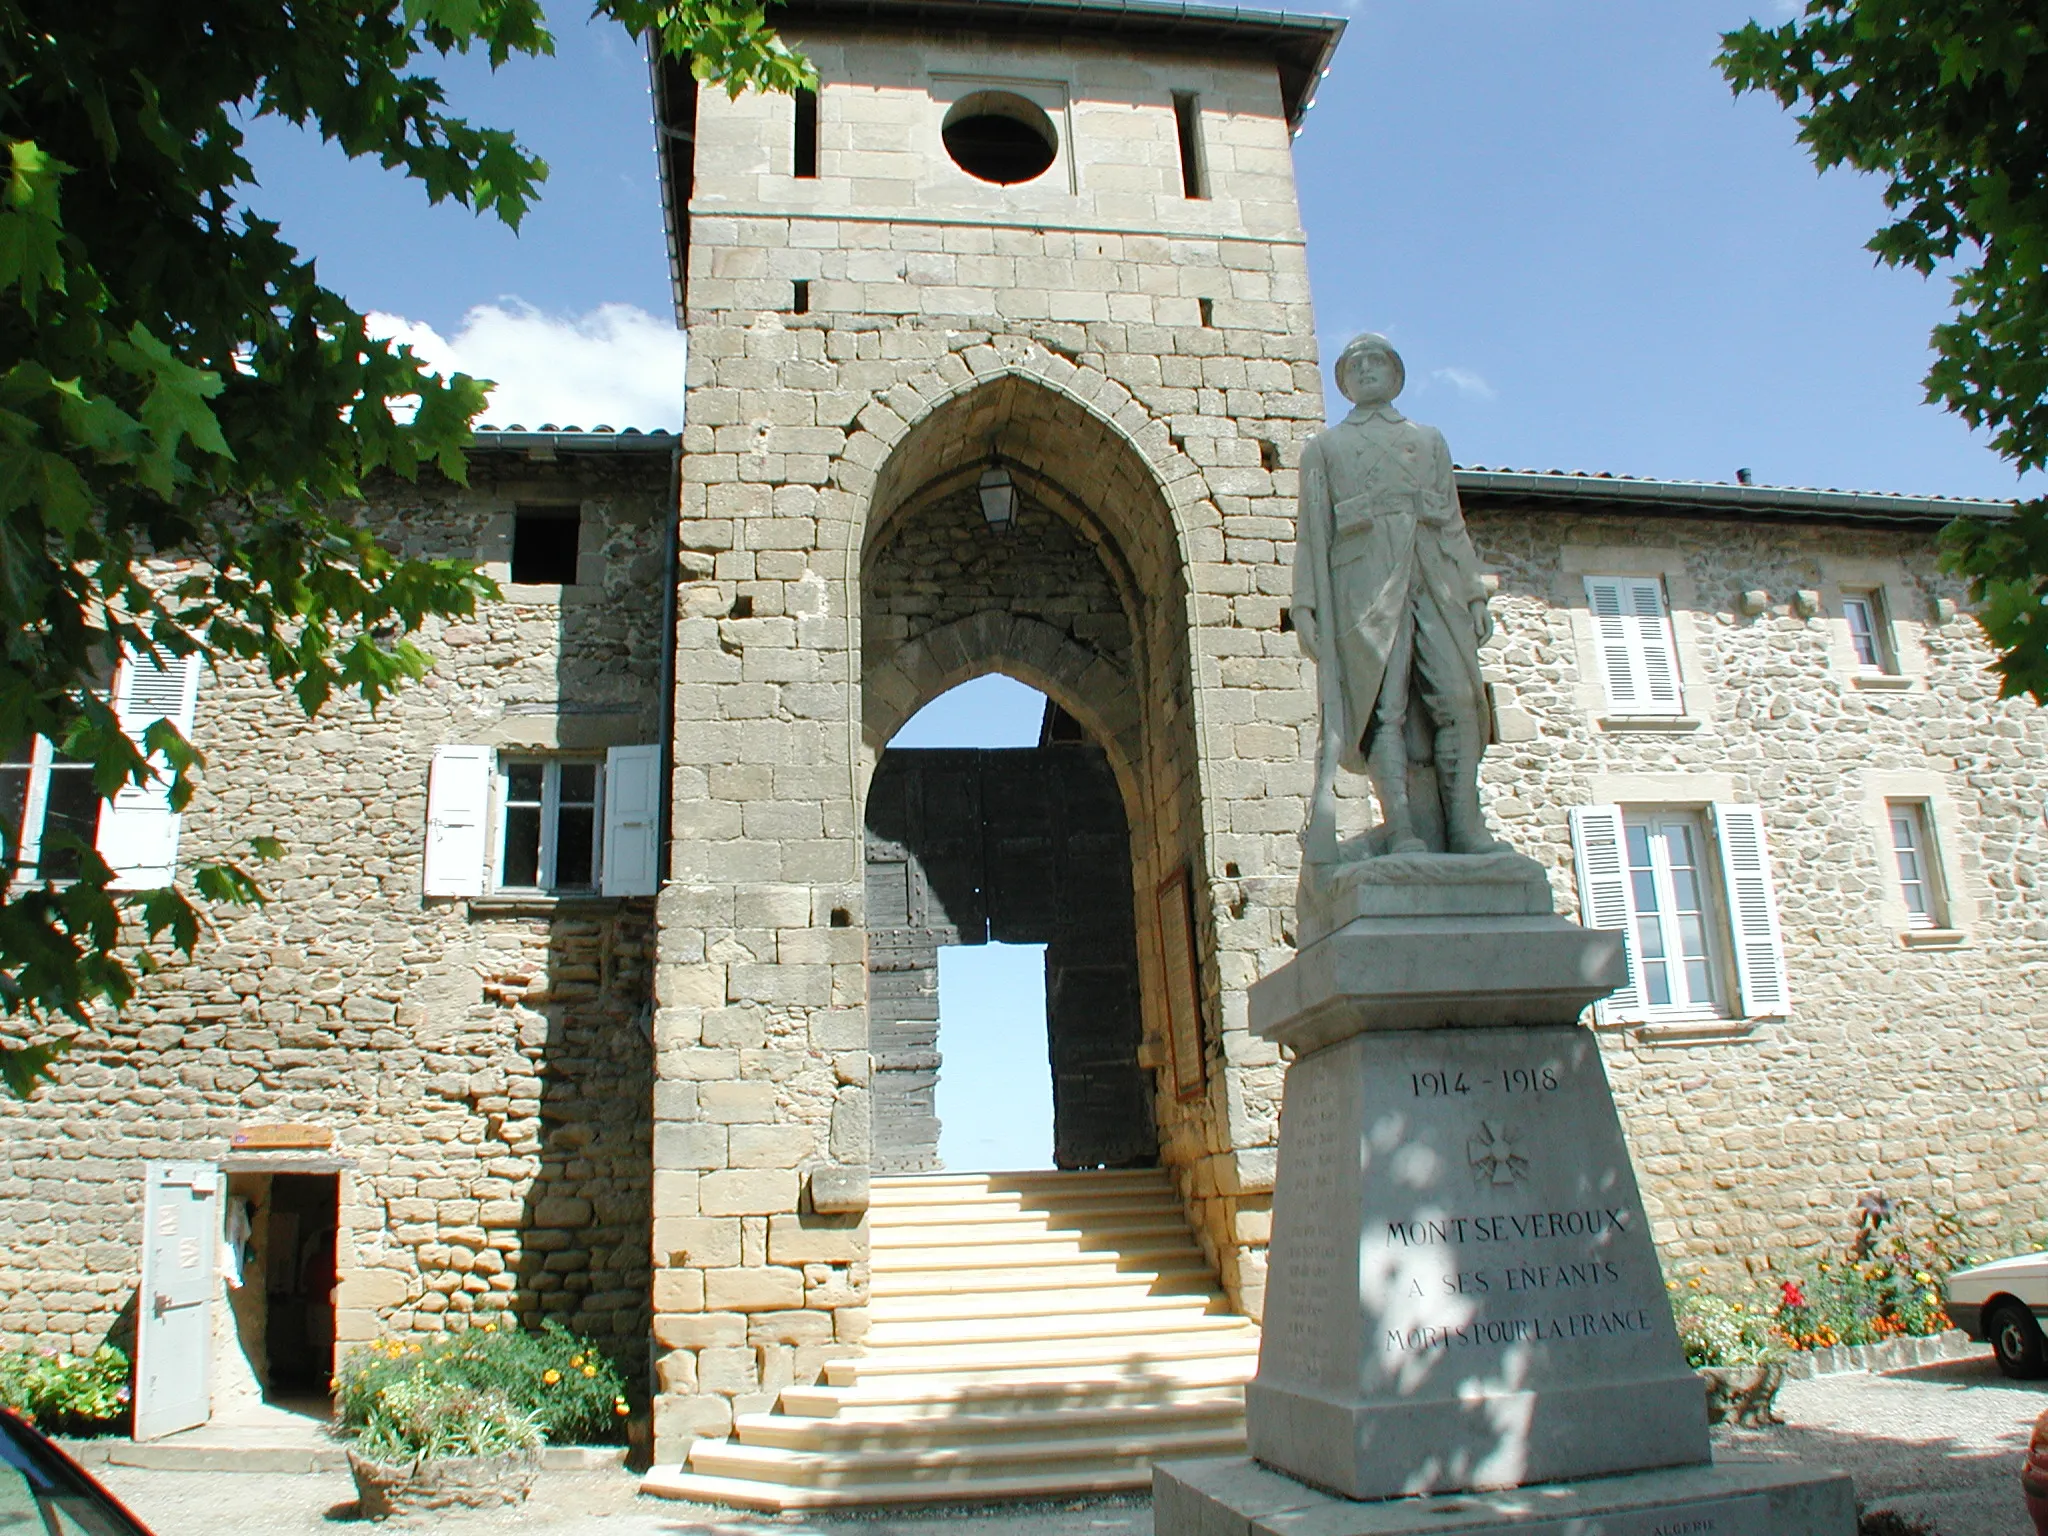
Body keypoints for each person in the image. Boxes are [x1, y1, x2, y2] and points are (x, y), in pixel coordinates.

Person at [1291, 333, 1505, 860]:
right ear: (1341, 381)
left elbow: (1452, 521)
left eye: (1376, 362)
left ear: (1395, 373)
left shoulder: (1428, 440)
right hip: (1364, 583)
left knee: (1457, 700)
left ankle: (1464, 827)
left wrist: (1474, 593)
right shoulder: (1325, 448)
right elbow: (1312, 533)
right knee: (1385, 710)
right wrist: (1306, 605)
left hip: (1432, 575)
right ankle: (1403, 827)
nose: (1366, 370)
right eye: (1355, 364)